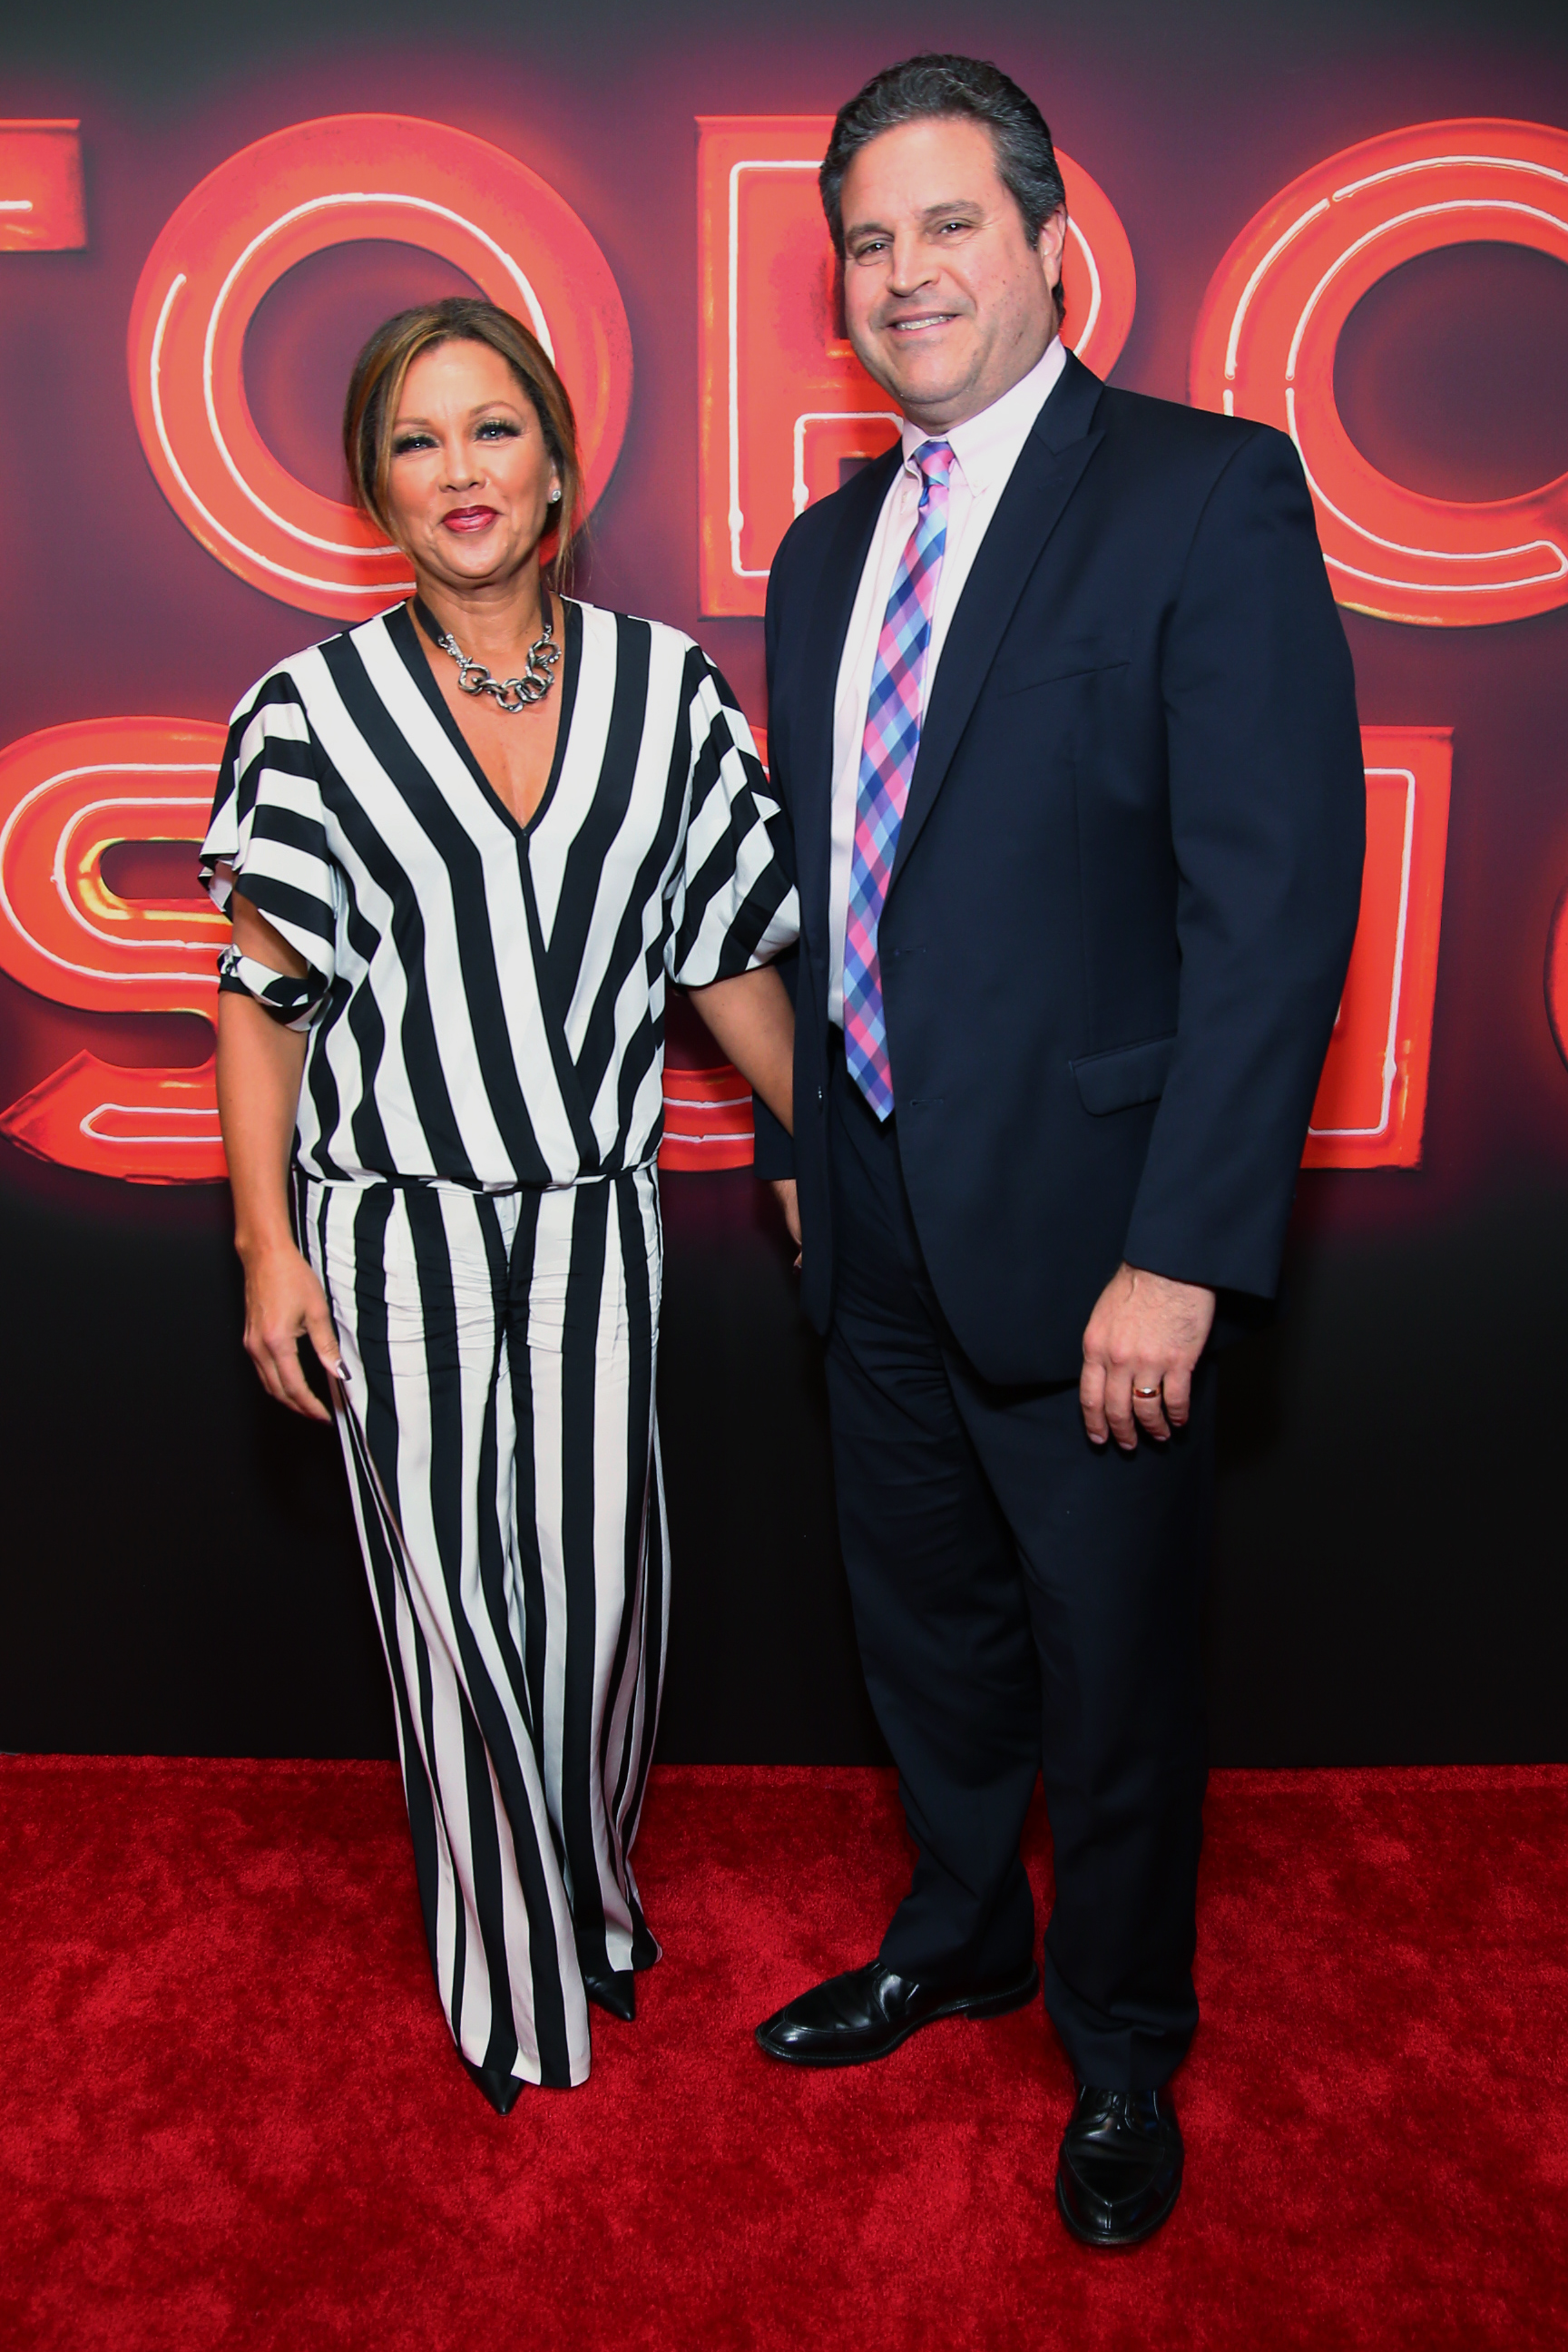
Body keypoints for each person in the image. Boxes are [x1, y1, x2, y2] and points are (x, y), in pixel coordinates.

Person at [750, 55, 1365, 2246]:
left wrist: (1186, 1249)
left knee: (1113, 1672)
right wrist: (817, 1142)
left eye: (944, 226)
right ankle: (963, 1929)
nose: (905, 274)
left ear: (1045, 243)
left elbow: (1274, 906)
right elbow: (846, 892)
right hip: (881, 1212)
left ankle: (1120, 2047)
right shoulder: (826, 555)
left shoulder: (1207, 494)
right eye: (868, 242)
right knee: (922, 1622)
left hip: (1104, 1234)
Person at [204, 297, 797, 2111]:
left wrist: (859, 1150)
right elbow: (263, 995)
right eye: (417, 440)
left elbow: (723, 968)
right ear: (374, 489)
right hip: (393, 1233)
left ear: (557, 462)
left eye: (492, 430)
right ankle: (505, 1975)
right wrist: (265, 1248)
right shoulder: (308, 712)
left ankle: (591, 1897)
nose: (462, 470)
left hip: (593, 1224)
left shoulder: (668, 691)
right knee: (449, 1613)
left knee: (609, 1606)